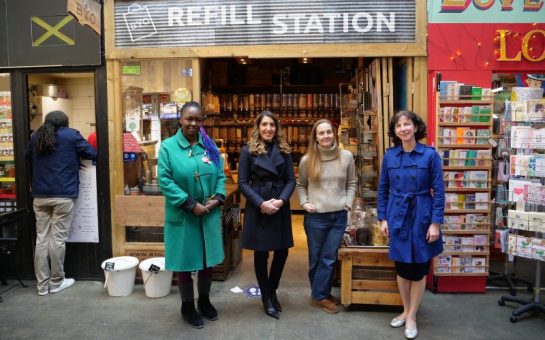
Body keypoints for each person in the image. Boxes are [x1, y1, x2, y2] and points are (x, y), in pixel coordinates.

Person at [157, 101, 226, 329]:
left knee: (206, 262)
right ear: (181, 119)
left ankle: (204, 301)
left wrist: (217, 198)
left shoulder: (209, 146)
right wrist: (190, 203)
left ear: (202, 121)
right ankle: (187, 305)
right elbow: (165, 181)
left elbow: (220, 176)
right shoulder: (168, 147)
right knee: (185, 262)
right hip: (184, 216)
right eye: (189, 118)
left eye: (198, 119)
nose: (193, 123)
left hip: (208, 214)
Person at [377, 111, 445, 340]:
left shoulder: (430, 156)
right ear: (394, 131)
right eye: (399, 125)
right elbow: (383, 189)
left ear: (416, 127)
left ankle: (413, 315)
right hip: (398, 214)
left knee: (419, 268)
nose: (403, 129)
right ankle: (405, 311)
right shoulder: (390, 156)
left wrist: (435, 223)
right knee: (402, 267)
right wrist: (383, 218)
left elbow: (439, 192)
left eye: (407, 124)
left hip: (423, 214)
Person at [26, 110, 97, 296]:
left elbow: (27, 158)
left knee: (41, 239)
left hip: (40, 195)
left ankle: (42, 286)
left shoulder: (36, 136)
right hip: (63, 195)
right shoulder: (71, 135)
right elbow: (91, 153)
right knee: (57, 240)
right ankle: (56, 281)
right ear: (65, 123)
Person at [238, 110, 296, 319]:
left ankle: (271, 291)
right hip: (259, 204)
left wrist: (281, 201)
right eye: (264, 125)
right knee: (261, 253)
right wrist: (261, 203)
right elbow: (243, 183)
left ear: (276, 128)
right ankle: (266, 297)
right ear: (258, 127)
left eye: (272, 125)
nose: (268, 128)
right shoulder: (248, 151)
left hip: (279, 202)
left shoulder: (284, 150)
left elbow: (291, 180)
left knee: (282, 251)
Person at [296, 119, 356, 314]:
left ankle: (320, 295)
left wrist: (347, 203)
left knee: (329, 257)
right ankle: (319, 294)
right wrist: (304, 203)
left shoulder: (346, 156)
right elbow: (301, 185)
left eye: (328, 132)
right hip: (316, 217)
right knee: (316, 258)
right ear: (316, 137)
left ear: (334, 133)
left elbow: (352, 183)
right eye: (321, 133)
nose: (326, 136)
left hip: (338, 216)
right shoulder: (308, 160)